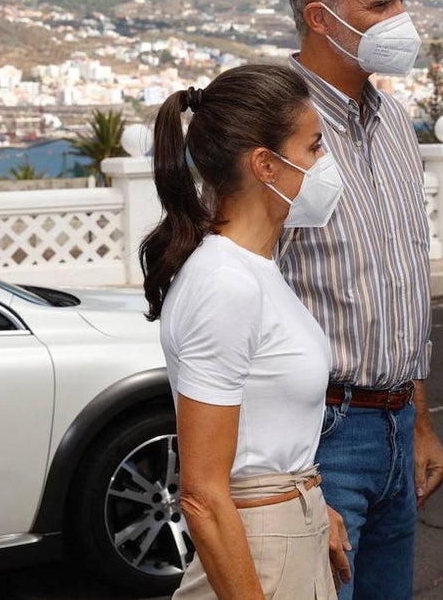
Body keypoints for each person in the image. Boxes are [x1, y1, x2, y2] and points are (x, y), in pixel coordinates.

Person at [278, 0, 443, 600]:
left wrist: (420, 422)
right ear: (321, 18)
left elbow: (398, 291)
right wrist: (290, 483)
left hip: (394, 429)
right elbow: (240, 313)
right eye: (382, 6)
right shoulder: (273, 133)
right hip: (316, 438)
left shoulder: (394, 126)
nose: (402, 21)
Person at [139, 64, 352, 600]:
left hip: (282, 533)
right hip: (258, 553)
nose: (325, 163)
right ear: (265, 165)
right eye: (313, 147)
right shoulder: (226, 282)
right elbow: (204, 495)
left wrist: (309, 507)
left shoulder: (254, 270)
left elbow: (262, 432)